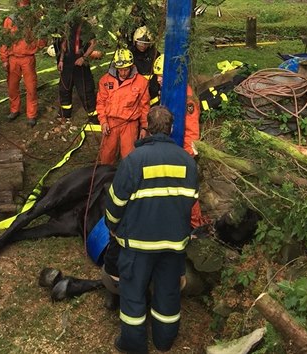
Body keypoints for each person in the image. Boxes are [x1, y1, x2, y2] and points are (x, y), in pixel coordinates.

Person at [105, 105, 198, 353]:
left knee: (133, 295)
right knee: (168, 294)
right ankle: (164, 341)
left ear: (146, 128)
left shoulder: (133, 161)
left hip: (138, 245)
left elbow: (116, 203)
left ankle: (134, 345)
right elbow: (190, 201)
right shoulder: (187, 162)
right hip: (173, 245)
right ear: (171, 129)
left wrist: (111, 226)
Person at [153, 54, 210, 229]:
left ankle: (195, 223)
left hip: (183, 152)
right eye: (157, 75)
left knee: (186, 188)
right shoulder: (169, 90)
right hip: (170, 148)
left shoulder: (186, 97)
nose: (158, 79)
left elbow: (192, 130)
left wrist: (186, 155)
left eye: (161, 75)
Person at [96, 48, 150, 165]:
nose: (123, 73)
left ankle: (128, 180)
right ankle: (105, 177)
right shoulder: (105, 80)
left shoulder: (141, 83)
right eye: (120, 70)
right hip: (110, 123)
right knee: (106, 155)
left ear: (132, 66)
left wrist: (144, 127)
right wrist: (103, 121)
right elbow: (101, 102)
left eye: (126, 69)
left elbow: (144, 107)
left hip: (129, 124)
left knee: (129, 157)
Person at [0, 0, 44, 127]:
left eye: (26, 6)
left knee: (31, 87)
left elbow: (42, 38)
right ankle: (14, 110)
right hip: (13, 58)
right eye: (22, 5)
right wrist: (4, 59)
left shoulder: (34, 20)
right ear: (18, 5)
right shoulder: (10, 20)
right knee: (12, 86)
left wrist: (35, 45)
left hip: (28, 59)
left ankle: (31, 114)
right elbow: (5, 40)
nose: (24, 8)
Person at [57, 16, 99, 123]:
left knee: (86, 90)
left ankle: (93, 116)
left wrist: (84, 57)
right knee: (64, 88)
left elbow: (93, 43)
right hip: (67, 63)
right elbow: (63, 45)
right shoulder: (66, 25)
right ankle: (65, 114)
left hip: (80, 63)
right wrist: (61, 60)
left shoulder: (85, 26)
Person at [127, 26, 161, 105]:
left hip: (152, 88)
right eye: (140, 43)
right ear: (135, 42)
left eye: (146, 44)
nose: (143, 46)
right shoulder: (129, 53)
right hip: (134, 88)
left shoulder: (154, 53)